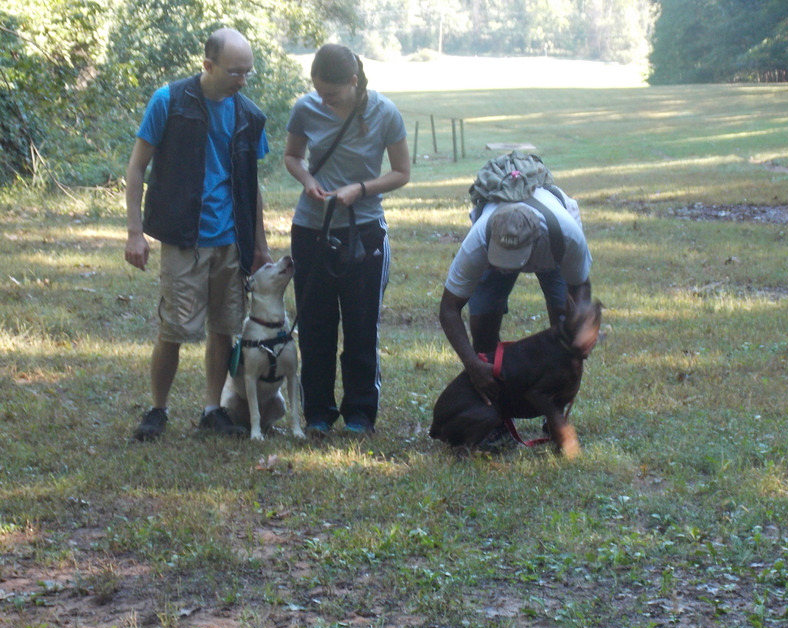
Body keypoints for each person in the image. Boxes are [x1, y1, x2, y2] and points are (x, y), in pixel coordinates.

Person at [125, 27, 271, 441]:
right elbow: (136, 168)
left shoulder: (250, 116)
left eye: (248, 72)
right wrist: (135, 233)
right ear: (207, 65)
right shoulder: (169, 101)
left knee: (224, 326)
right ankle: (157, 409)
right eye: (234, 71)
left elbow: (251, 186)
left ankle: (212, 409)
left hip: (230, 240)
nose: (242, 80)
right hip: (183, 236)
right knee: (174, 328)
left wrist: (259, 246)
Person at [284, 44, 410, 436]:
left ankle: (359, 413)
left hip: (365, 229)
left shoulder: (384, 112)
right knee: (316, 325)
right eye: (319, 91)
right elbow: (292, 156)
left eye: (332, 94)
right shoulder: (305, 109)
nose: (324, 99)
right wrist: (309, 181)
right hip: (312, 230)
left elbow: (401, 172)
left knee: (360, 326)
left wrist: (360, 188)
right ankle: (318, 413)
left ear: (354, 81)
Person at [438, 186, 592, 406]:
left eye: (513, 261)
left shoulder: (566, 236)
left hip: (552, 250)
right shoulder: (478, 242)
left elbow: (581, 286)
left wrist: (580, 330)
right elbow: (449, 308)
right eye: (501, 259)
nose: (506, 268)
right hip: (493, 244)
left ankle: (556, 408)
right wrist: (472, 365)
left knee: (564, 324)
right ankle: (495, 410)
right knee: (482, 324)